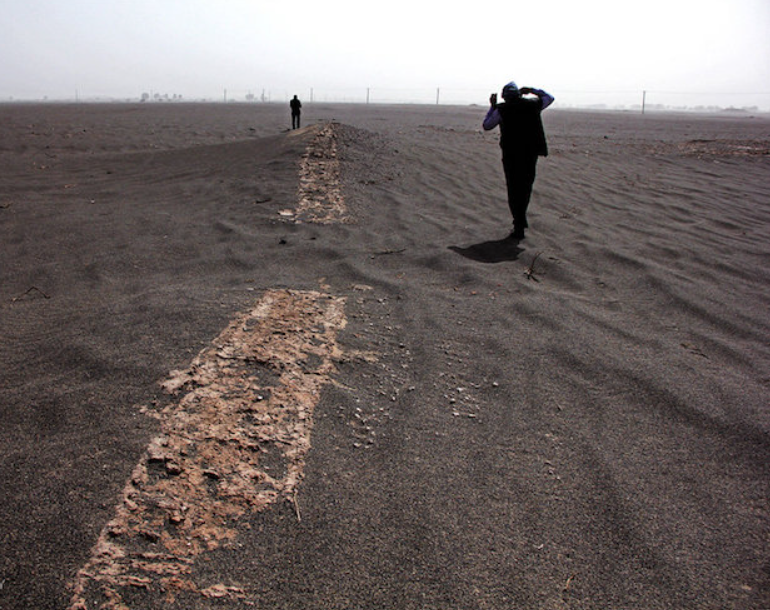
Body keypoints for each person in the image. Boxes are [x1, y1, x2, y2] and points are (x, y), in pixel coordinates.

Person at [482, 81, 554, 239]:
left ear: (504, 97)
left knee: (514, 189)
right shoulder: (533, 105)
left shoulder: (502, 109)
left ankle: (519, 222)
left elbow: (487, 125)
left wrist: (492, 106)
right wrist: (533, 90)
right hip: (530, 153)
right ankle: (520, 220)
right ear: (519, 94)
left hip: (512, 154)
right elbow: (549, 97)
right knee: (525, 187)